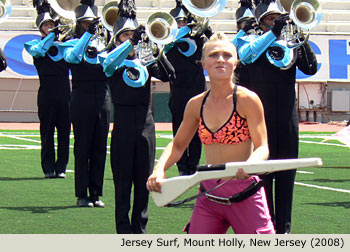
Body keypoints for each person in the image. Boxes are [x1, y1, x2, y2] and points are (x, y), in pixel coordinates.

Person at [147, 32, 275, 234]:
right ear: (203, 63)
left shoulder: (248, 99)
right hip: (209, 195)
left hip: (244, 192)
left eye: (227, 55)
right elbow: (179, 145)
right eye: (214, 55)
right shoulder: (196, 104)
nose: (220, 59)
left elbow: (262, 146)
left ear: (236, 62)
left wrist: (251, 164)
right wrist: (159, 169)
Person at [234, 0, 318, 233]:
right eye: (270, 19)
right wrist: (273, 32)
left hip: (286, 118)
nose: (275, 22)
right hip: (260, 119)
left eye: (277, 18)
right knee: (262, 177)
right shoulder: (252, 40)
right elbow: (246, 55)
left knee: (286, 175)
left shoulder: (290, 41)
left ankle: (285, 232)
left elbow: (311, 68)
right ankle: (265, 230)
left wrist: (301, 38)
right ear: (261, 22)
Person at [99, 0, 175, 233]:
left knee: (144, 182)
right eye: (125, 35)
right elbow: (109, 63)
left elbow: (169, 74)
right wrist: (131, 42)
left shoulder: (143, 60)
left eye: (133, 34)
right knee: (122, 183)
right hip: (122, 125)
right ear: (117, 38)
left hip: (146, 125)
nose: (131, 38)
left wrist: (154, 47)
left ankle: (139, 229)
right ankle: (122, 230)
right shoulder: (109, 58)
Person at [60, 0, 111, 207]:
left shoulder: (104, 42)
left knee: (100, 146)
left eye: (91, 23)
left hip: (103, 97)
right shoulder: (72, 41)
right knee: (82, 147)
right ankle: (82, 194)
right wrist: (87, 34)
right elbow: (72, 58)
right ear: (79, 24)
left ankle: (96, 193)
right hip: (81, 97)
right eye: (84, 23)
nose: (88, 25)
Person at [164, 0, 212, 176]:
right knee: (179, 129)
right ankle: (182, 166)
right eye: (178, 21)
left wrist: (208, 32)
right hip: (178, 90)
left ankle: (194, 164)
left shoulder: (197, 38)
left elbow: (212, 48)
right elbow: (169, 40)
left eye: (184, 21)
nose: (181, 24)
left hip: (197, 88)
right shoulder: (168, 39)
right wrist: (184, 29)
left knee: (198, 130)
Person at [24, 1, 71, 179]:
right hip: (46, 95)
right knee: (47, 131)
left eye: (52, 25)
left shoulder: (63, 46)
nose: (51, 28)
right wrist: (52, 36)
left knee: (65, 132)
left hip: (65, 94)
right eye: (47, 25)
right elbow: (39, 50)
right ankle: (48, 168)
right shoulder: (34, 45)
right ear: (40, 28)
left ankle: (61, 168)